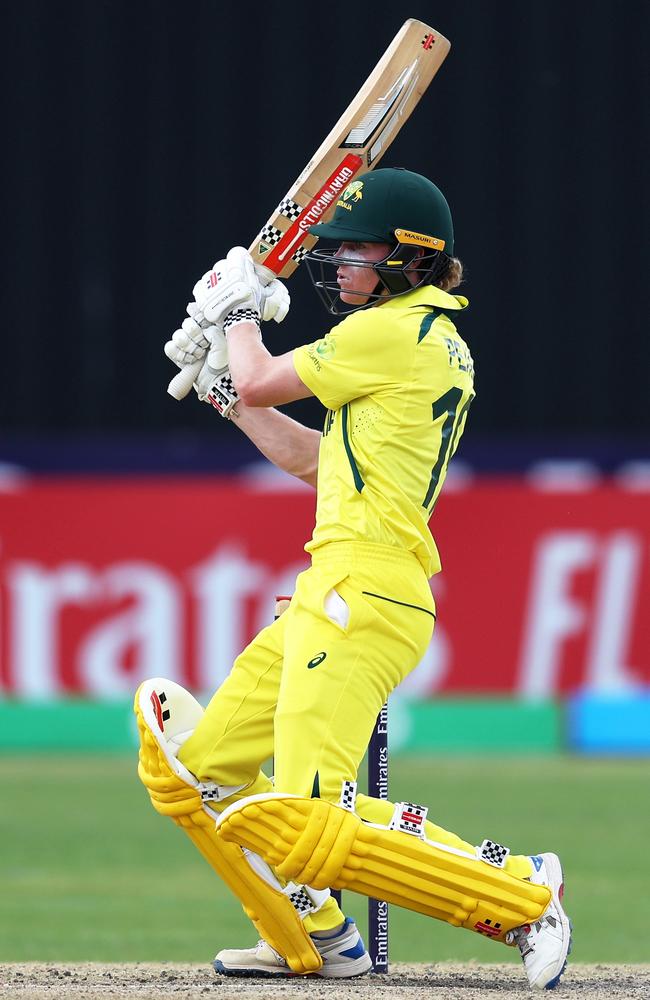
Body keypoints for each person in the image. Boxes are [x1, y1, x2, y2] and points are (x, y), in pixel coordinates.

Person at [135, 168, 571, 988]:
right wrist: (228, 390)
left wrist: (233, 317)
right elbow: (310, 457)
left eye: (357, 250)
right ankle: (316, 935)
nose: (338, 264)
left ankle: (520, 891)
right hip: (335, 582)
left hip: (364, 591)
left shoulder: (397, 333)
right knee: (195, 770)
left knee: (304, 814)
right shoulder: (415, 340)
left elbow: (265, 374)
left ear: (412, 257)